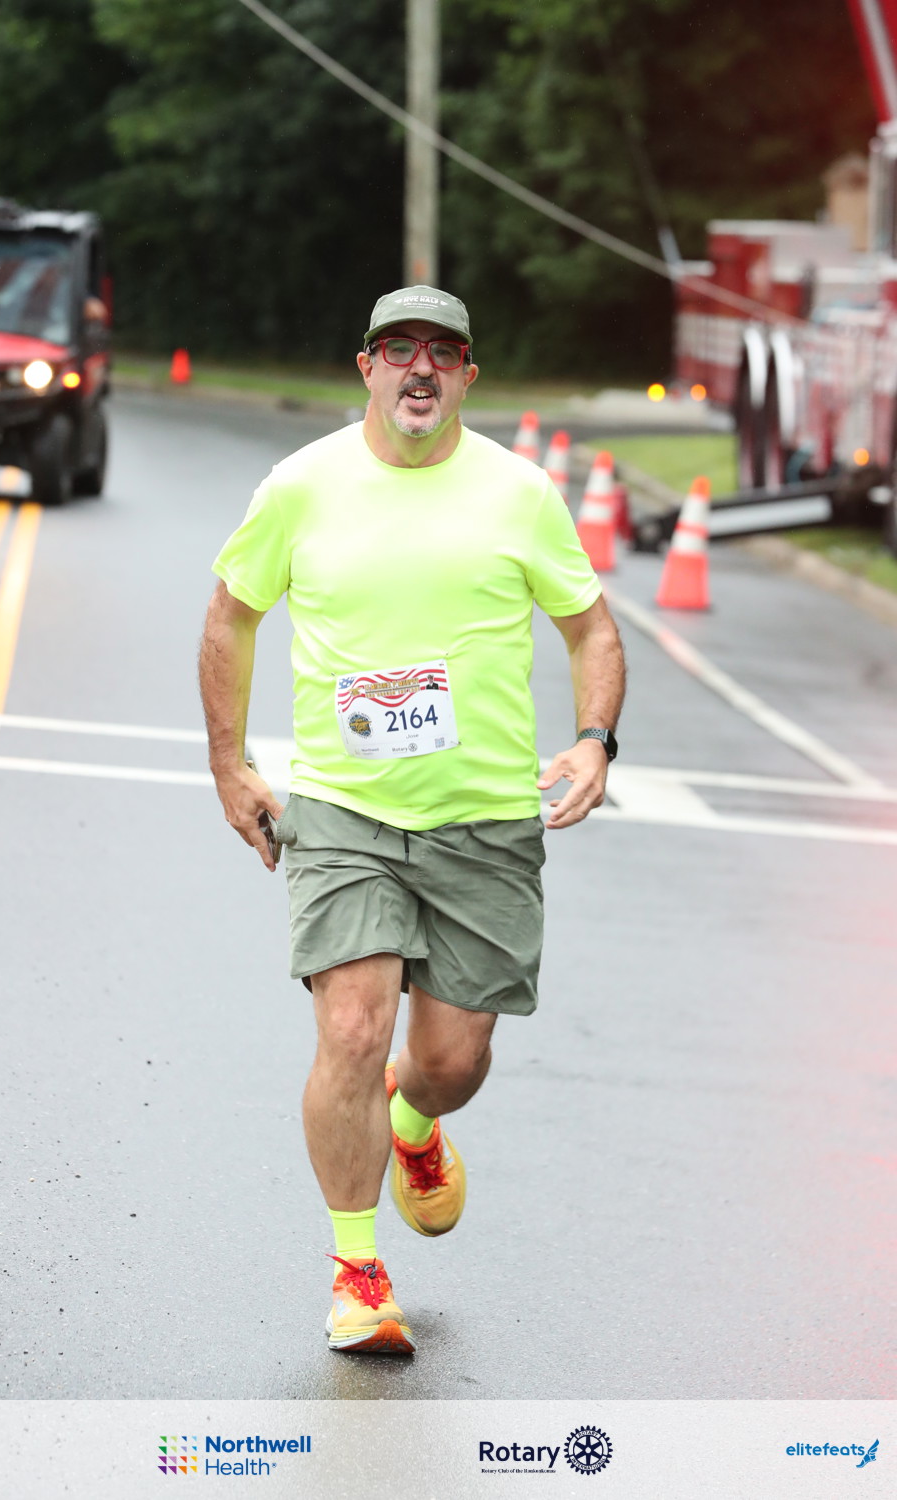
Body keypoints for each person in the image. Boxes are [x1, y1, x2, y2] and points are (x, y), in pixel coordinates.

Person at [199, 284, 626, 1355]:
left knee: (452, 1062)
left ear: (469, 374)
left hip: (484, 820)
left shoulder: (521, 493)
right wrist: (229, 764)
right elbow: (231, 617)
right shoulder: (301, 486)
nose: (420, 367)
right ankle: (357, 1273)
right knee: (352, 1027)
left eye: (442, 350)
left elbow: (591, 629)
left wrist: (594, 740)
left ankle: (414, 1117)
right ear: (367, 367)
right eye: (399, 348)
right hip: (345, 810)